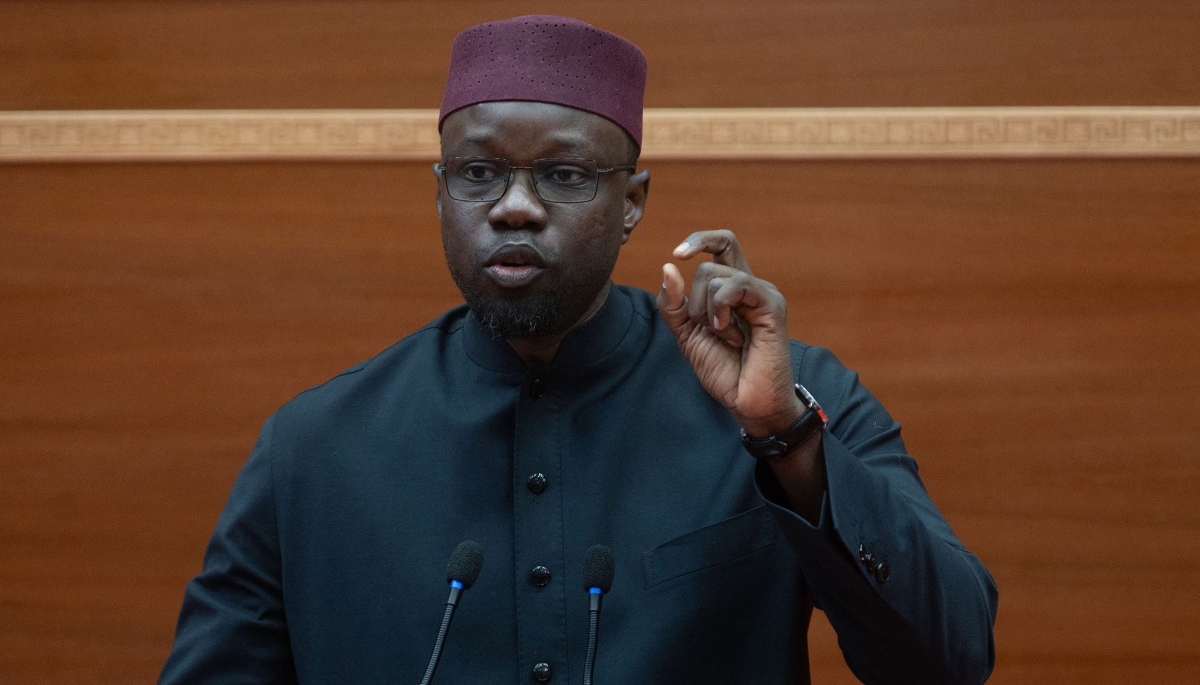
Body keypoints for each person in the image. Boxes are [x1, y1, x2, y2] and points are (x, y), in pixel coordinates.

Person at [159, 15, 997, 685]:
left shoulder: (791, 400)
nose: (515, 207)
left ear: (632, 202)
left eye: (563, 176)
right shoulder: (313, 449)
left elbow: (950, 658)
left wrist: (788, 442)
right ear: (441, 193)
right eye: (479, 172)